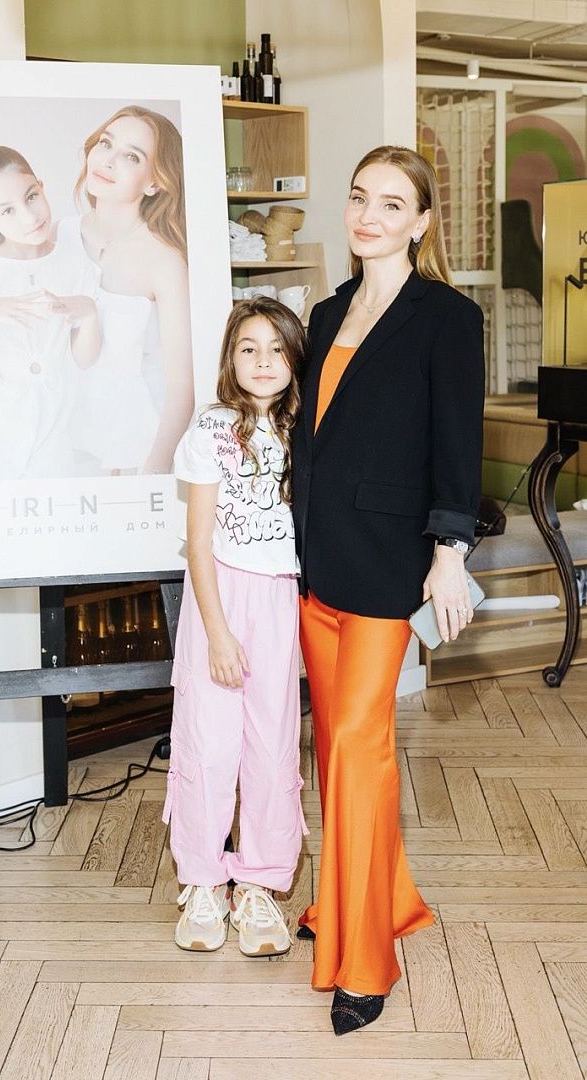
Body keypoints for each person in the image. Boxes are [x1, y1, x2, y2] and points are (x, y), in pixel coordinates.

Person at [291, 146, 485, 1034]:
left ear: (421, 221)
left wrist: (449, 552)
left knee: (361, 747)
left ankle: (366, 959)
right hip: (317, 561)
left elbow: (456, 444)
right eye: (359, 197)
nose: (369, 215)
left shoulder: (446, 317)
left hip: (385, 565)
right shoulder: (326, 310)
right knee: (335, 750)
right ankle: (363, 899)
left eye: (392, 203)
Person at [162, 297, 308, 956]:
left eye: (277, 349)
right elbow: (197, 543)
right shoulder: (210, 429)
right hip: (217, 599)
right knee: (208, 743)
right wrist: (218, 632)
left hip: (277, 600)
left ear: (294, 359)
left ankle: (259, 884)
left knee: (271, 745)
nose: (263, 361)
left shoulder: (304, 430)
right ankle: (202, 882)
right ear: (230, 357)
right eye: (249, 348)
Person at [0, 143, 101, 482]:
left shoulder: (77, 266)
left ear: (42, 186)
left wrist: (89, 315)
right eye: (7, 210)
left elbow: (83, 361)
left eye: (31, 197)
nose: (29, 216)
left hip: (52, 433)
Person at [59, 105, 193, 475]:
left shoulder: (165, 261)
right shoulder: (57, 236)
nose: (108, 160)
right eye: (105, 144)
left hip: (133, 452)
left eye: (131, 156)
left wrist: (153, 472)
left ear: (155, 182)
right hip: (60, 447)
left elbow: (181, 387)